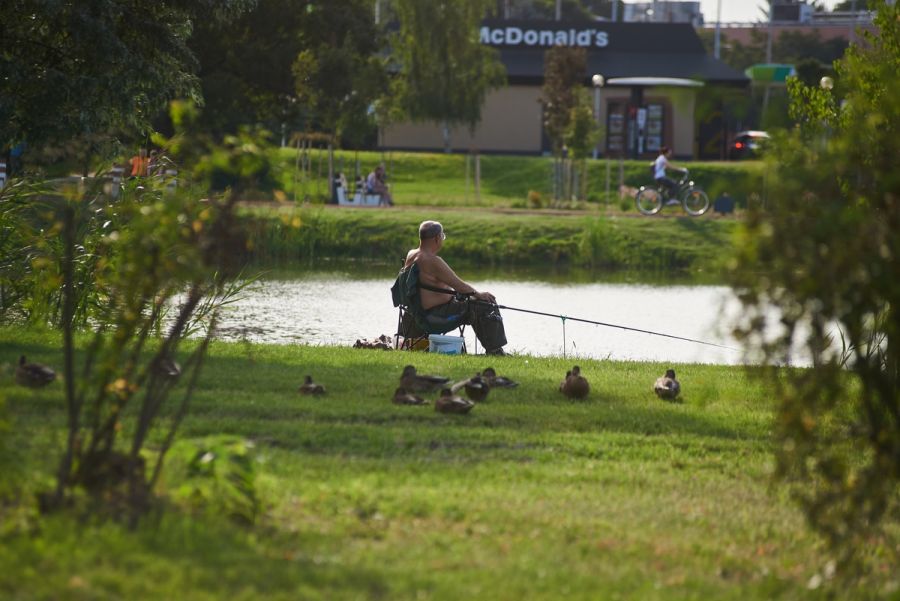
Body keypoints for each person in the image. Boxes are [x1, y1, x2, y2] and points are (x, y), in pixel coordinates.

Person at [403, 220, 508, 355]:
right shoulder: (433, 261)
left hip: (414, 315)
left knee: (472, 301)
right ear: (437, 238)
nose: (442, 239)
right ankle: (495, 351)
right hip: (433, 318)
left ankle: (493, 349)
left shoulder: (411, 254)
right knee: (485, 304)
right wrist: (479, 294)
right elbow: (459, 285)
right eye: (442, 236)